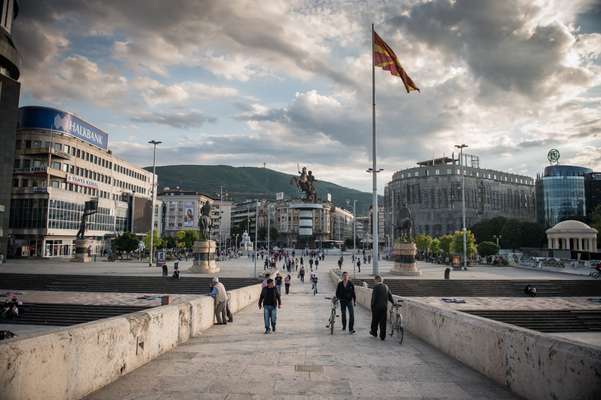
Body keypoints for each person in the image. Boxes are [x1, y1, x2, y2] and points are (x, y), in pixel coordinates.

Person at [370, 275, 394, 340]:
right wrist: (393, 303)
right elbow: (390, 296)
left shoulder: (375, 287)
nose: (374, 281)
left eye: (374, 280)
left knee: (375, 321)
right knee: (383, 322)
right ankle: (382, 336)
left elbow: (373, 298)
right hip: (384, 307)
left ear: (377, 280)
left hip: (376, 307)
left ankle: (374, 332)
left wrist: (372, 306)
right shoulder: (386, 287)